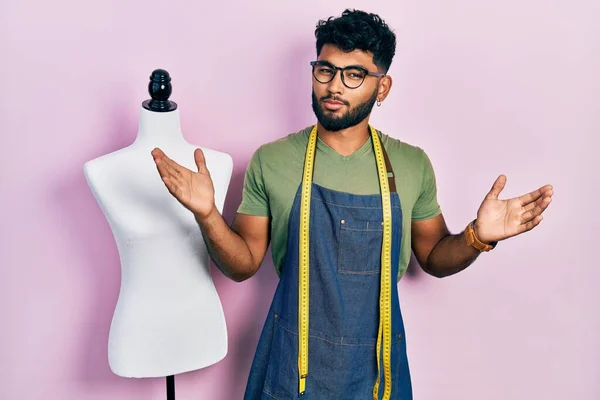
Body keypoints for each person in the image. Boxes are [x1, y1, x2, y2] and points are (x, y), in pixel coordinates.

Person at [151, 9, 553, 400]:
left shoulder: (411, 165)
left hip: (377, 375)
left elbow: (432, 256)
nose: (334, 86)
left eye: (354, 74)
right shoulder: (272, 160)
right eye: (325, 70)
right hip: (293, 368)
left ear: (382, 87)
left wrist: (477, 237)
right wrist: (206, 215)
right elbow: (242, 265)